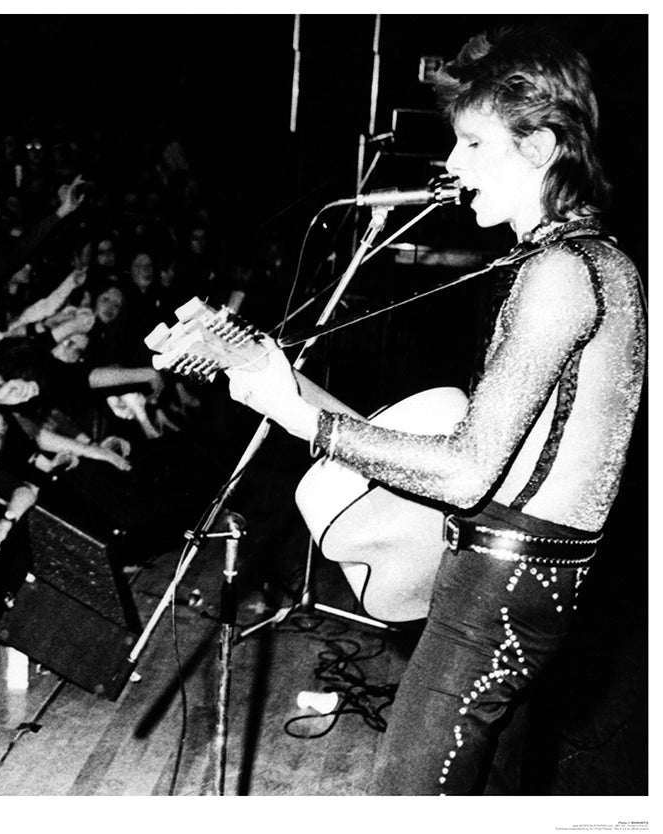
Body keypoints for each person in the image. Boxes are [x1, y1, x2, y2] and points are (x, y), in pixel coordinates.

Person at [226, 27, 645, 795]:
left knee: (407, 797)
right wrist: (290, 389)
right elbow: (491, 457)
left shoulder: (558, 272)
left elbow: (463, 471)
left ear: (541, 146)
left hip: (498, 588)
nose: (449, 166)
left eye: (473, 144)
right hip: (522, 582)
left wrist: (303, 421)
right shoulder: (590, 259)